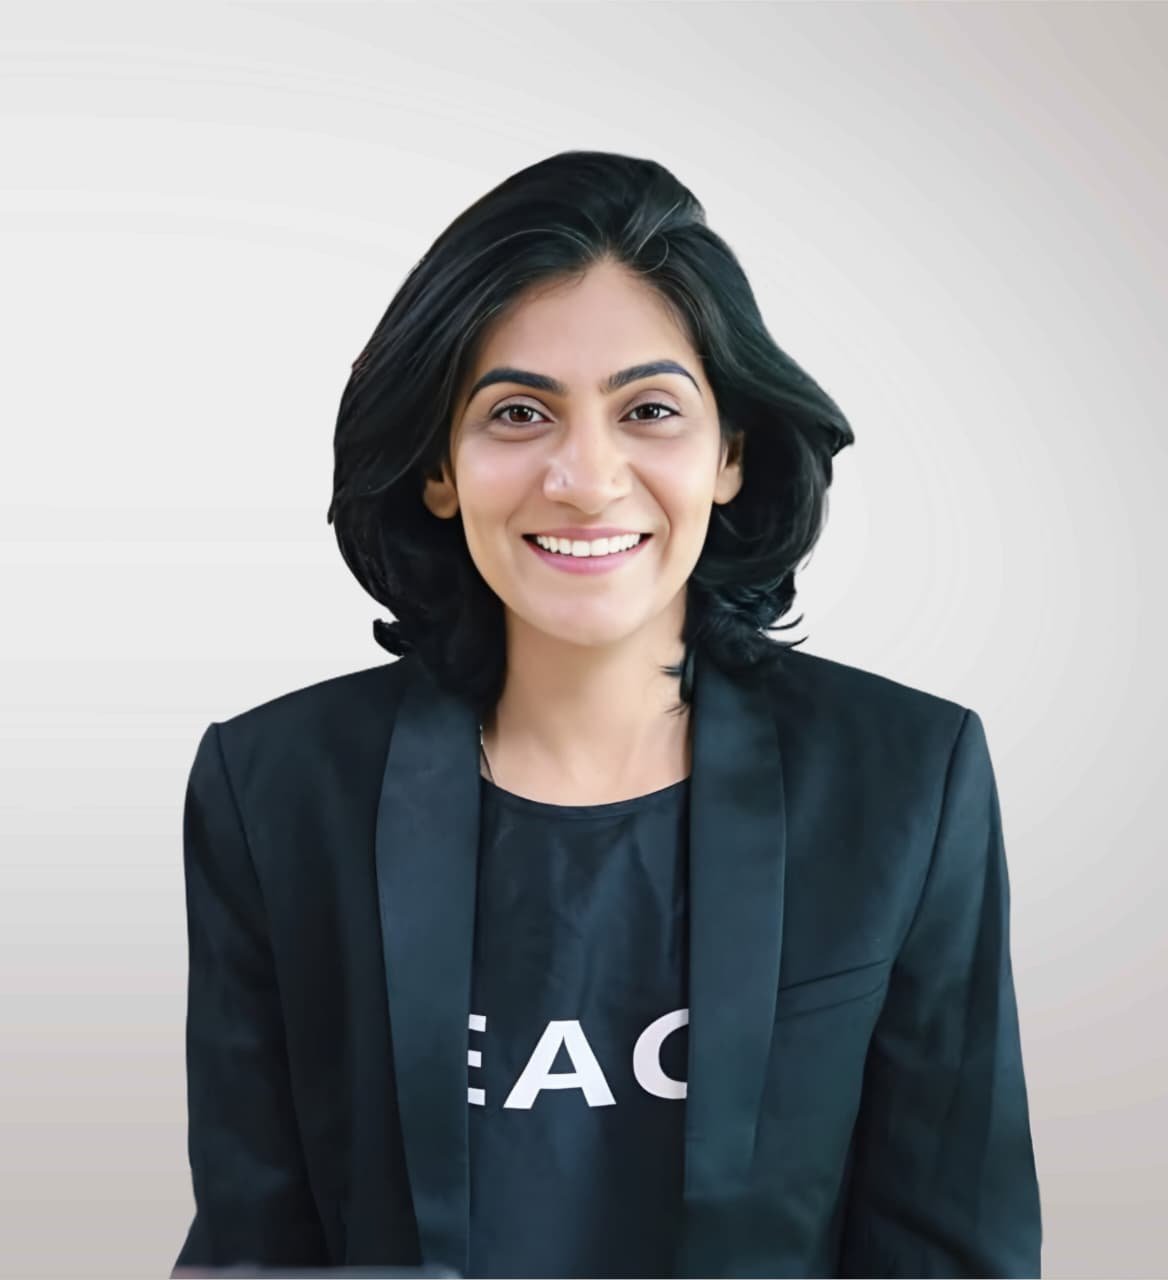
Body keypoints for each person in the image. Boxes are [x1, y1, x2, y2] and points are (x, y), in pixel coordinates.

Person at [173, 150, 1042, 1279]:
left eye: (650, 410)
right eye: (518, 412)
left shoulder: (906, 783)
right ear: (440, 469)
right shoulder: (273, 790)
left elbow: (953, 1250)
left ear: (730, 453)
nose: (586, 477)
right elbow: (253, 1248)